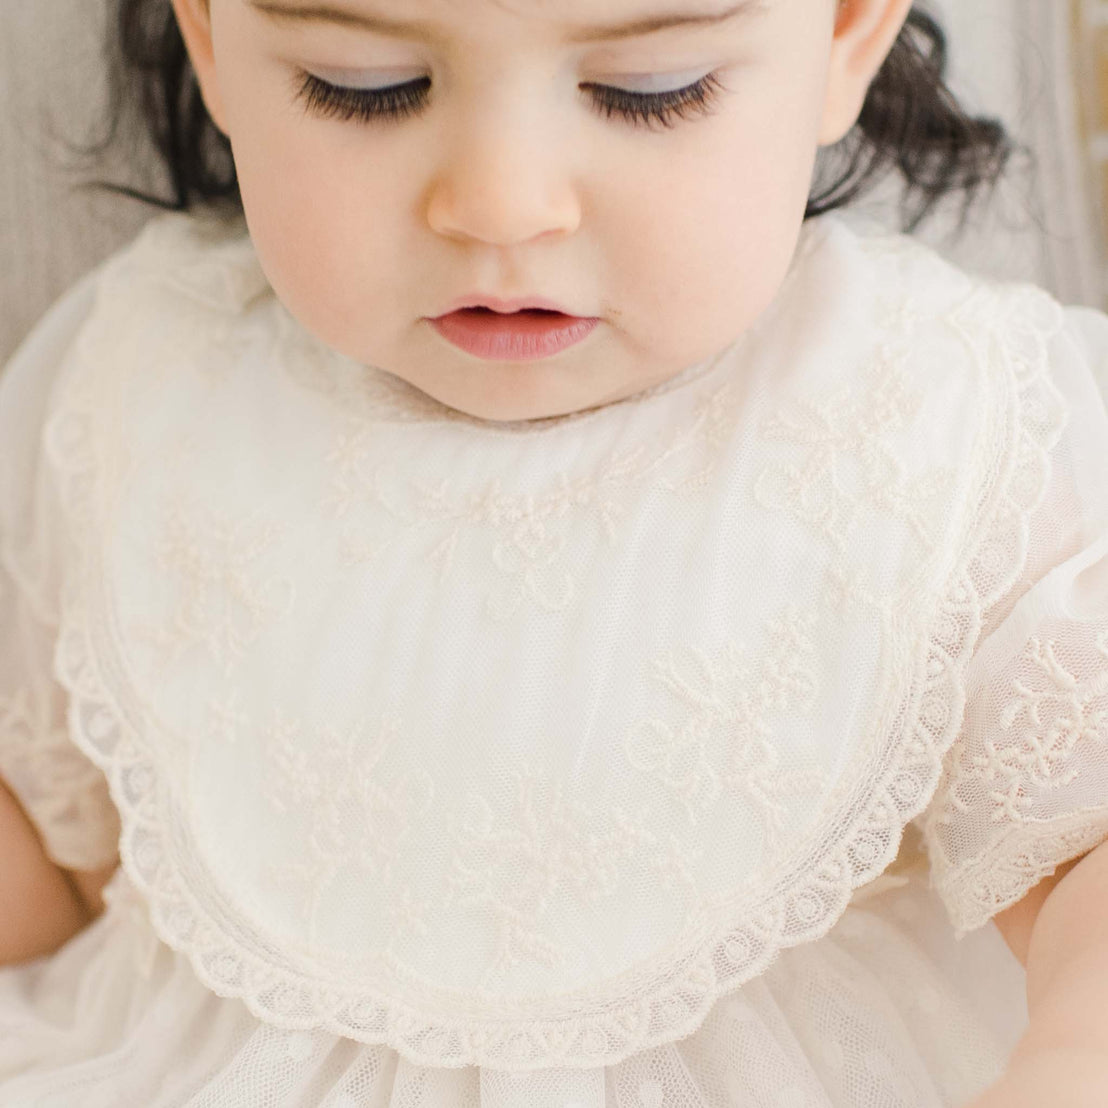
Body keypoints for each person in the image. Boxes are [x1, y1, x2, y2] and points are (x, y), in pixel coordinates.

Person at [1, 0, 1107, 1104]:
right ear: (211, 40)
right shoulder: (140, 390)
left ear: (842, 35)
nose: (500, 206)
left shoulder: (942, 419)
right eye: (363, 84)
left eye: (650, 89)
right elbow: (58, 856)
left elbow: (1081, 846)